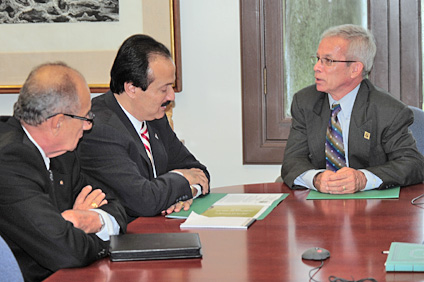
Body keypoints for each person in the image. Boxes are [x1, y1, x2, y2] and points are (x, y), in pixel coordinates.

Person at [0, 62, 127, 282]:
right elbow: (67, 251)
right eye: (86, 118)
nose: (88, 126)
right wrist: (72, 231)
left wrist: (94, 221)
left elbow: (114, 205)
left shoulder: (63, 153)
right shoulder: (9, 162)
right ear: (57, 123)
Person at [78, 34, 210, 222]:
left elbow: (199, 171)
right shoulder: (99, 129)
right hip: (121, 240)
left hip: (156, 231)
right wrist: (181, 178)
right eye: (163, 89)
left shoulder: (155, 117)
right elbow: (143, 199)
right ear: (132, 88)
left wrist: (187, 191)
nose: (171, 96)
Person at [281, 24, 424, 194]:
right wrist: (316, 178)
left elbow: (413, 164)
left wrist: (362, 179)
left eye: (328, 61)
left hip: (374, 210)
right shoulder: (305, 102)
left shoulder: (388, 110)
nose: (317, 67)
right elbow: (292, 160)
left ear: (355, 69)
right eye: (318, 58)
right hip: (319, 207)